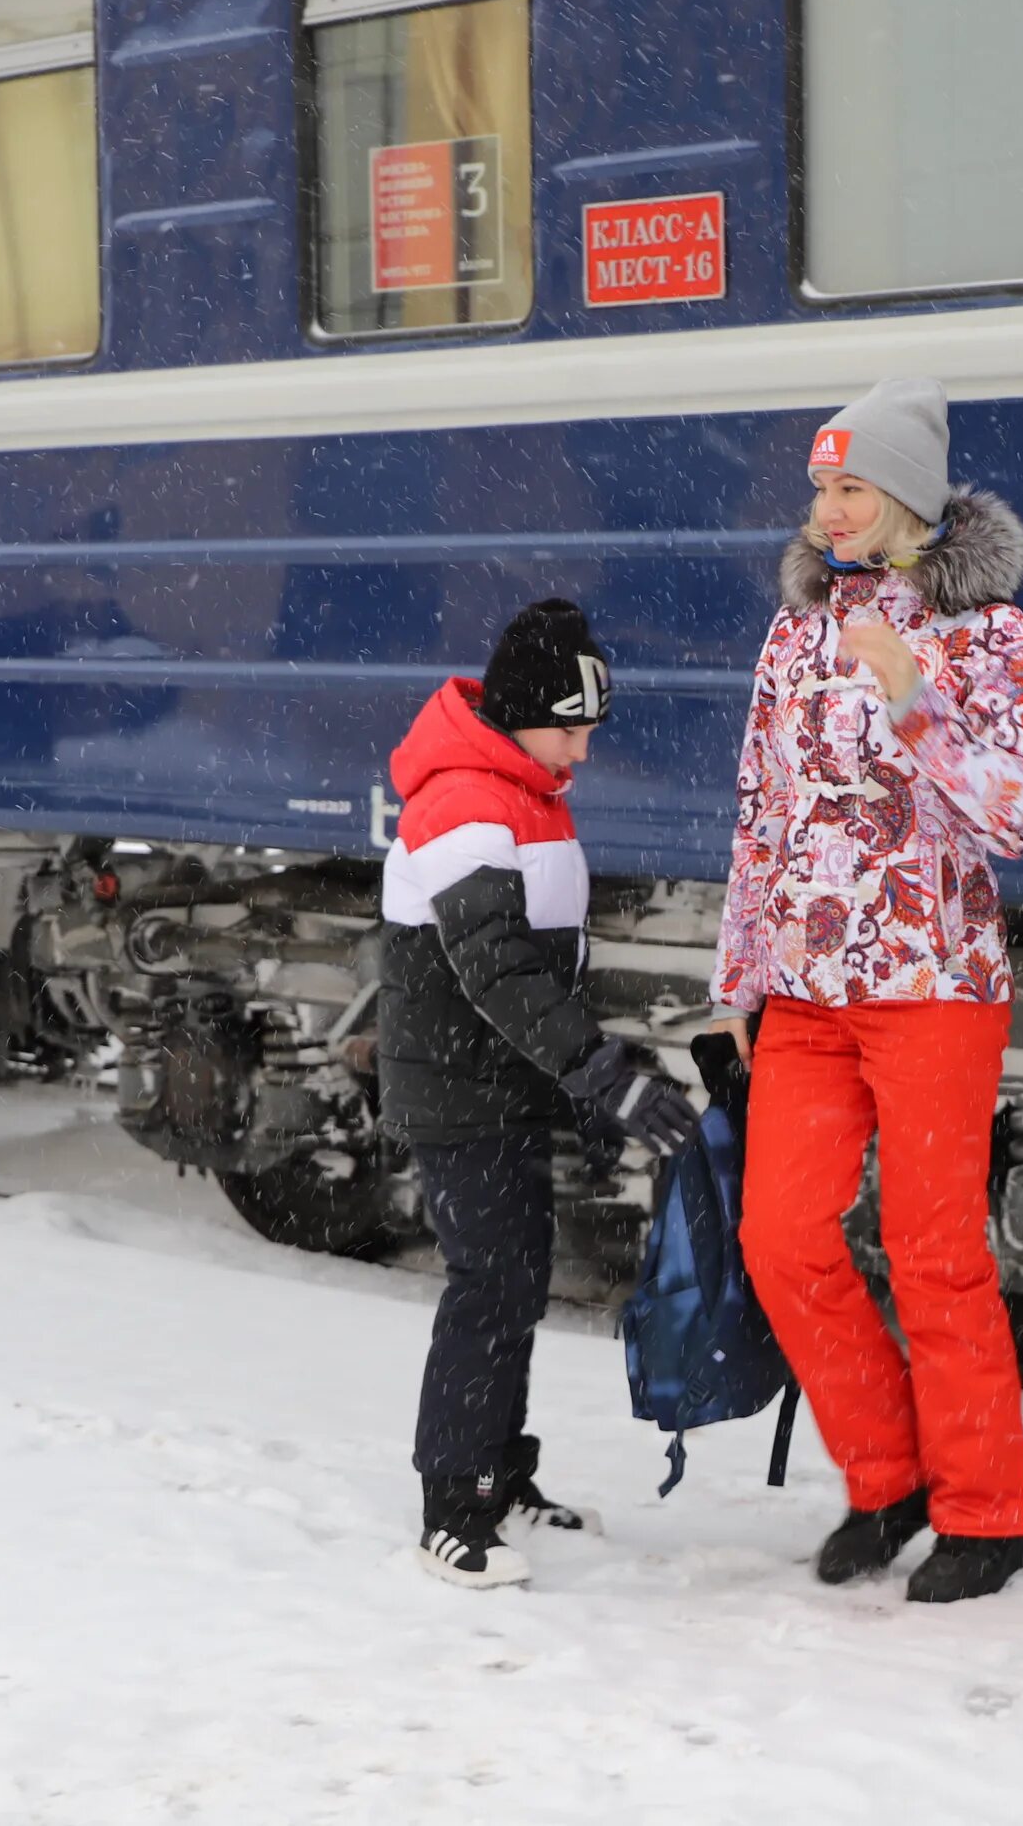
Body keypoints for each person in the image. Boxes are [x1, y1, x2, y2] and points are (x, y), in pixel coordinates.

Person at [714, 377, 1023, 1605]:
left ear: (907, 497)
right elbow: (762, 807)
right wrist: (737, 972)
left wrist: (913, 701)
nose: (827, 508)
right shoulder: (796, 630)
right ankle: (887, 1473)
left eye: (849, 486)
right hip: (806, 989)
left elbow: (1020, 816)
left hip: (933, 981)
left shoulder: (985, 634)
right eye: (819, 486)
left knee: (933, 1253)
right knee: (781, 1236)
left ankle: (987, 1510)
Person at [375, 597, 705, 1590]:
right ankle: (452, 1501)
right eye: (571, 730)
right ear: (522, 715)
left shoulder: (524, 790)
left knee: (515, 1278)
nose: (583, 753)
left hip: (503, 1082)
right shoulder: (464, 803)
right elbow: (498, 971)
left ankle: (502, 1476)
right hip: (459, 1088)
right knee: (489, 1282)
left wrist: (576, 1084)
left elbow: (546, 971)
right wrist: (599, 1073)